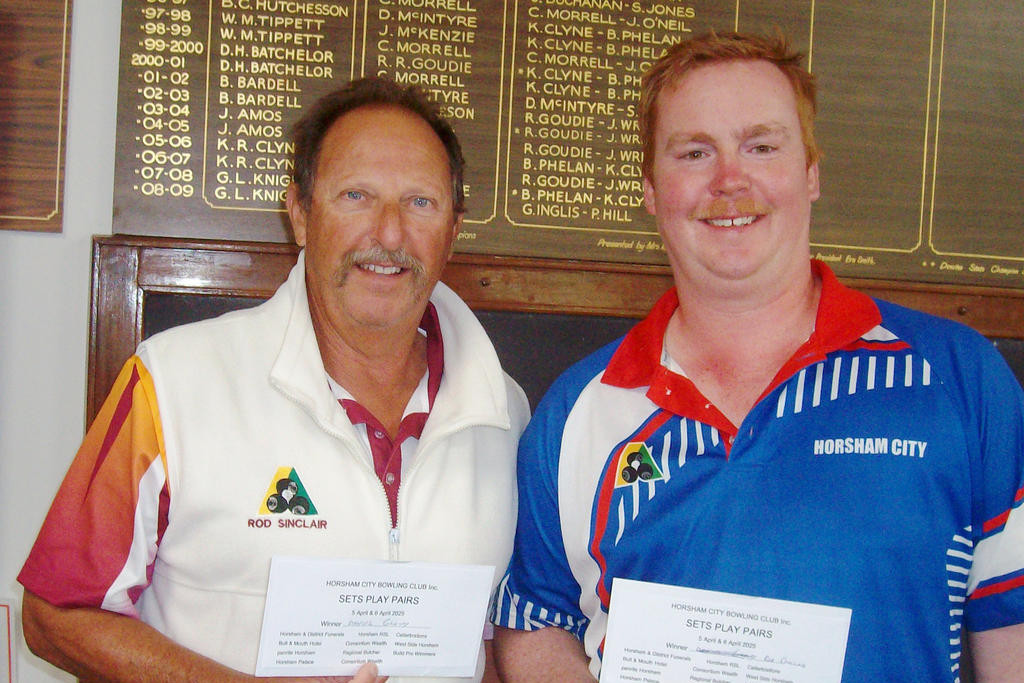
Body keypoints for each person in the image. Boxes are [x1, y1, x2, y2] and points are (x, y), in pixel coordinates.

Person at [491, 31, 1024, 682]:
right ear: (652, 190)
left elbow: (1013, 626)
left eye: (761, 146)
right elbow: (538, 619)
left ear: (811, 172)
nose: (730, 181)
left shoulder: (959, 380)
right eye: (694, 152)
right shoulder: (578, 412)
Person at [19, 76, 529, 683]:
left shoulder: (508, 414)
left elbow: (497, 642)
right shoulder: (175, 383)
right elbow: (55, 613)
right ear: (301, 215)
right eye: (356, 196)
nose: (390, 233)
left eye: (421, 202)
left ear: (454, 229)